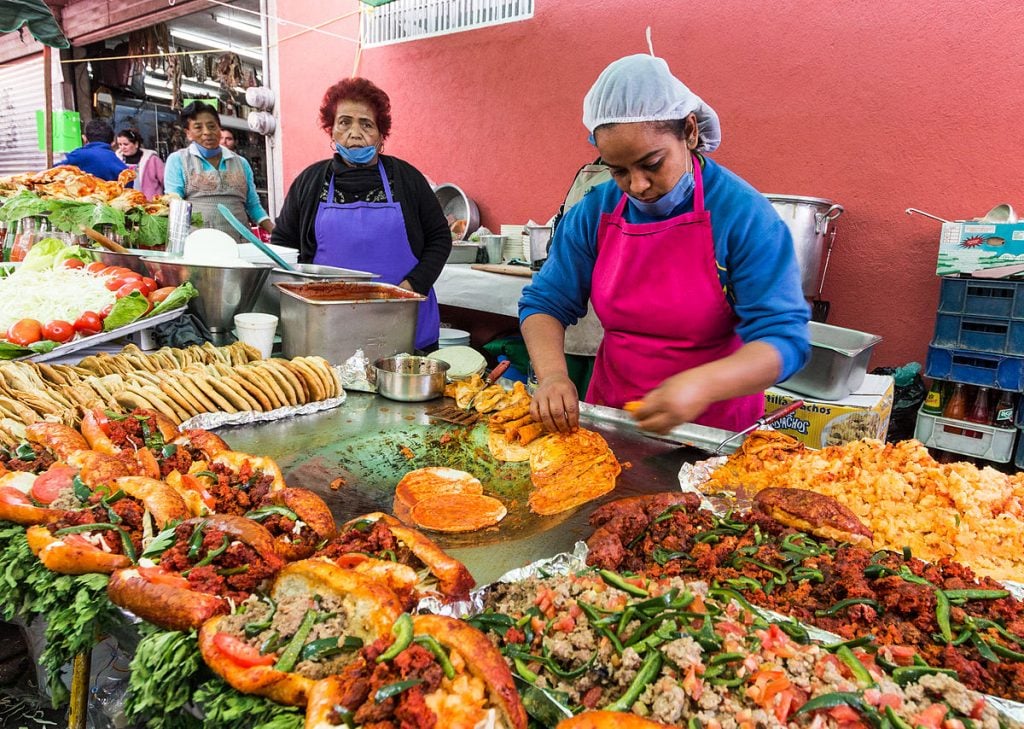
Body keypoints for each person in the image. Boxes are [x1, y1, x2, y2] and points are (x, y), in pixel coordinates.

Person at [519, 54, 810, 435]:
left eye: (652, 164)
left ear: (689, 131)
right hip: (615, 420)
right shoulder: (595, 212)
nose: (637, 185)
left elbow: (784, 339)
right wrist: (554, 376)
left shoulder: (743, 215)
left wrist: (702, 385)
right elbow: (544, 303)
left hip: (714, 434)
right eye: (619, 170)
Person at [271, 78, 451, 350]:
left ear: (381, 135)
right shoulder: (310, 182)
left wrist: (413, 285)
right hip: (327, 327)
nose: (355, 133)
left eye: (366, 124)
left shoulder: (407, 179)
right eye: (344, 122)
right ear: (331, 130)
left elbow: (439, 237)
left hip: (402, 319)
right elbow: (282, 246)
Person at [164, 102, 272, 242]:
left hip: (240, 243)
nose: (207, 132)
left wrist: (276, 232)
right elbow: (175, 204)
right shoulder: (178, 160)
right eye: (198, 127)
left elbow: (253, 205)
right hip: (198, 245)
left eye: (211, 126)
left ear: (219, 128)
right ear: (188, 134)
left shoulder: (241, 163)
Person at [61, 119, 127, 181]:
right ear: (113, 143)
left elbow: (53, 172)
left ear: (84, 139)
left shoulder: (75, 156)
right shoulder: (123, 169)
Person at [115, 128, 165, 199]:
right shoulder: (117, 159)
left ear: (136, 144)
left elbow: (165, 181)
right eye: (119, 144)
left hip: (150, 205)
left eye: (126, 144)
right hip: (125, 204)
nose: (122, 147)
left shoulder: (152, 160)